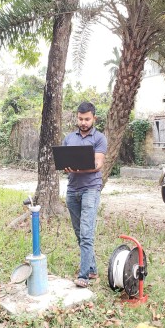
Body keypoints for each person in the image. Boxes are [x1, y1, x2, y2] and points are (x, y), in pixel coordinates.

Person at [62, 101, 107, 288]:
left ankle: (84, 276)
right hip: (72, 190)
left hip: (91, 189)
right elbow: (65, 164)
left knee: (87, 233)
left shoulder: (100, 139)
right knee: (80, 233)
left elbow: (97, 165)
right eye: (80, 119)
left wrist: (77, 169)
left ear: (94, 118)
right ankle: (93, 269)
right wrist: (67, 167)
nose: (83, 122)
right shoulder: (69, 138)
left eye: (87, 119)